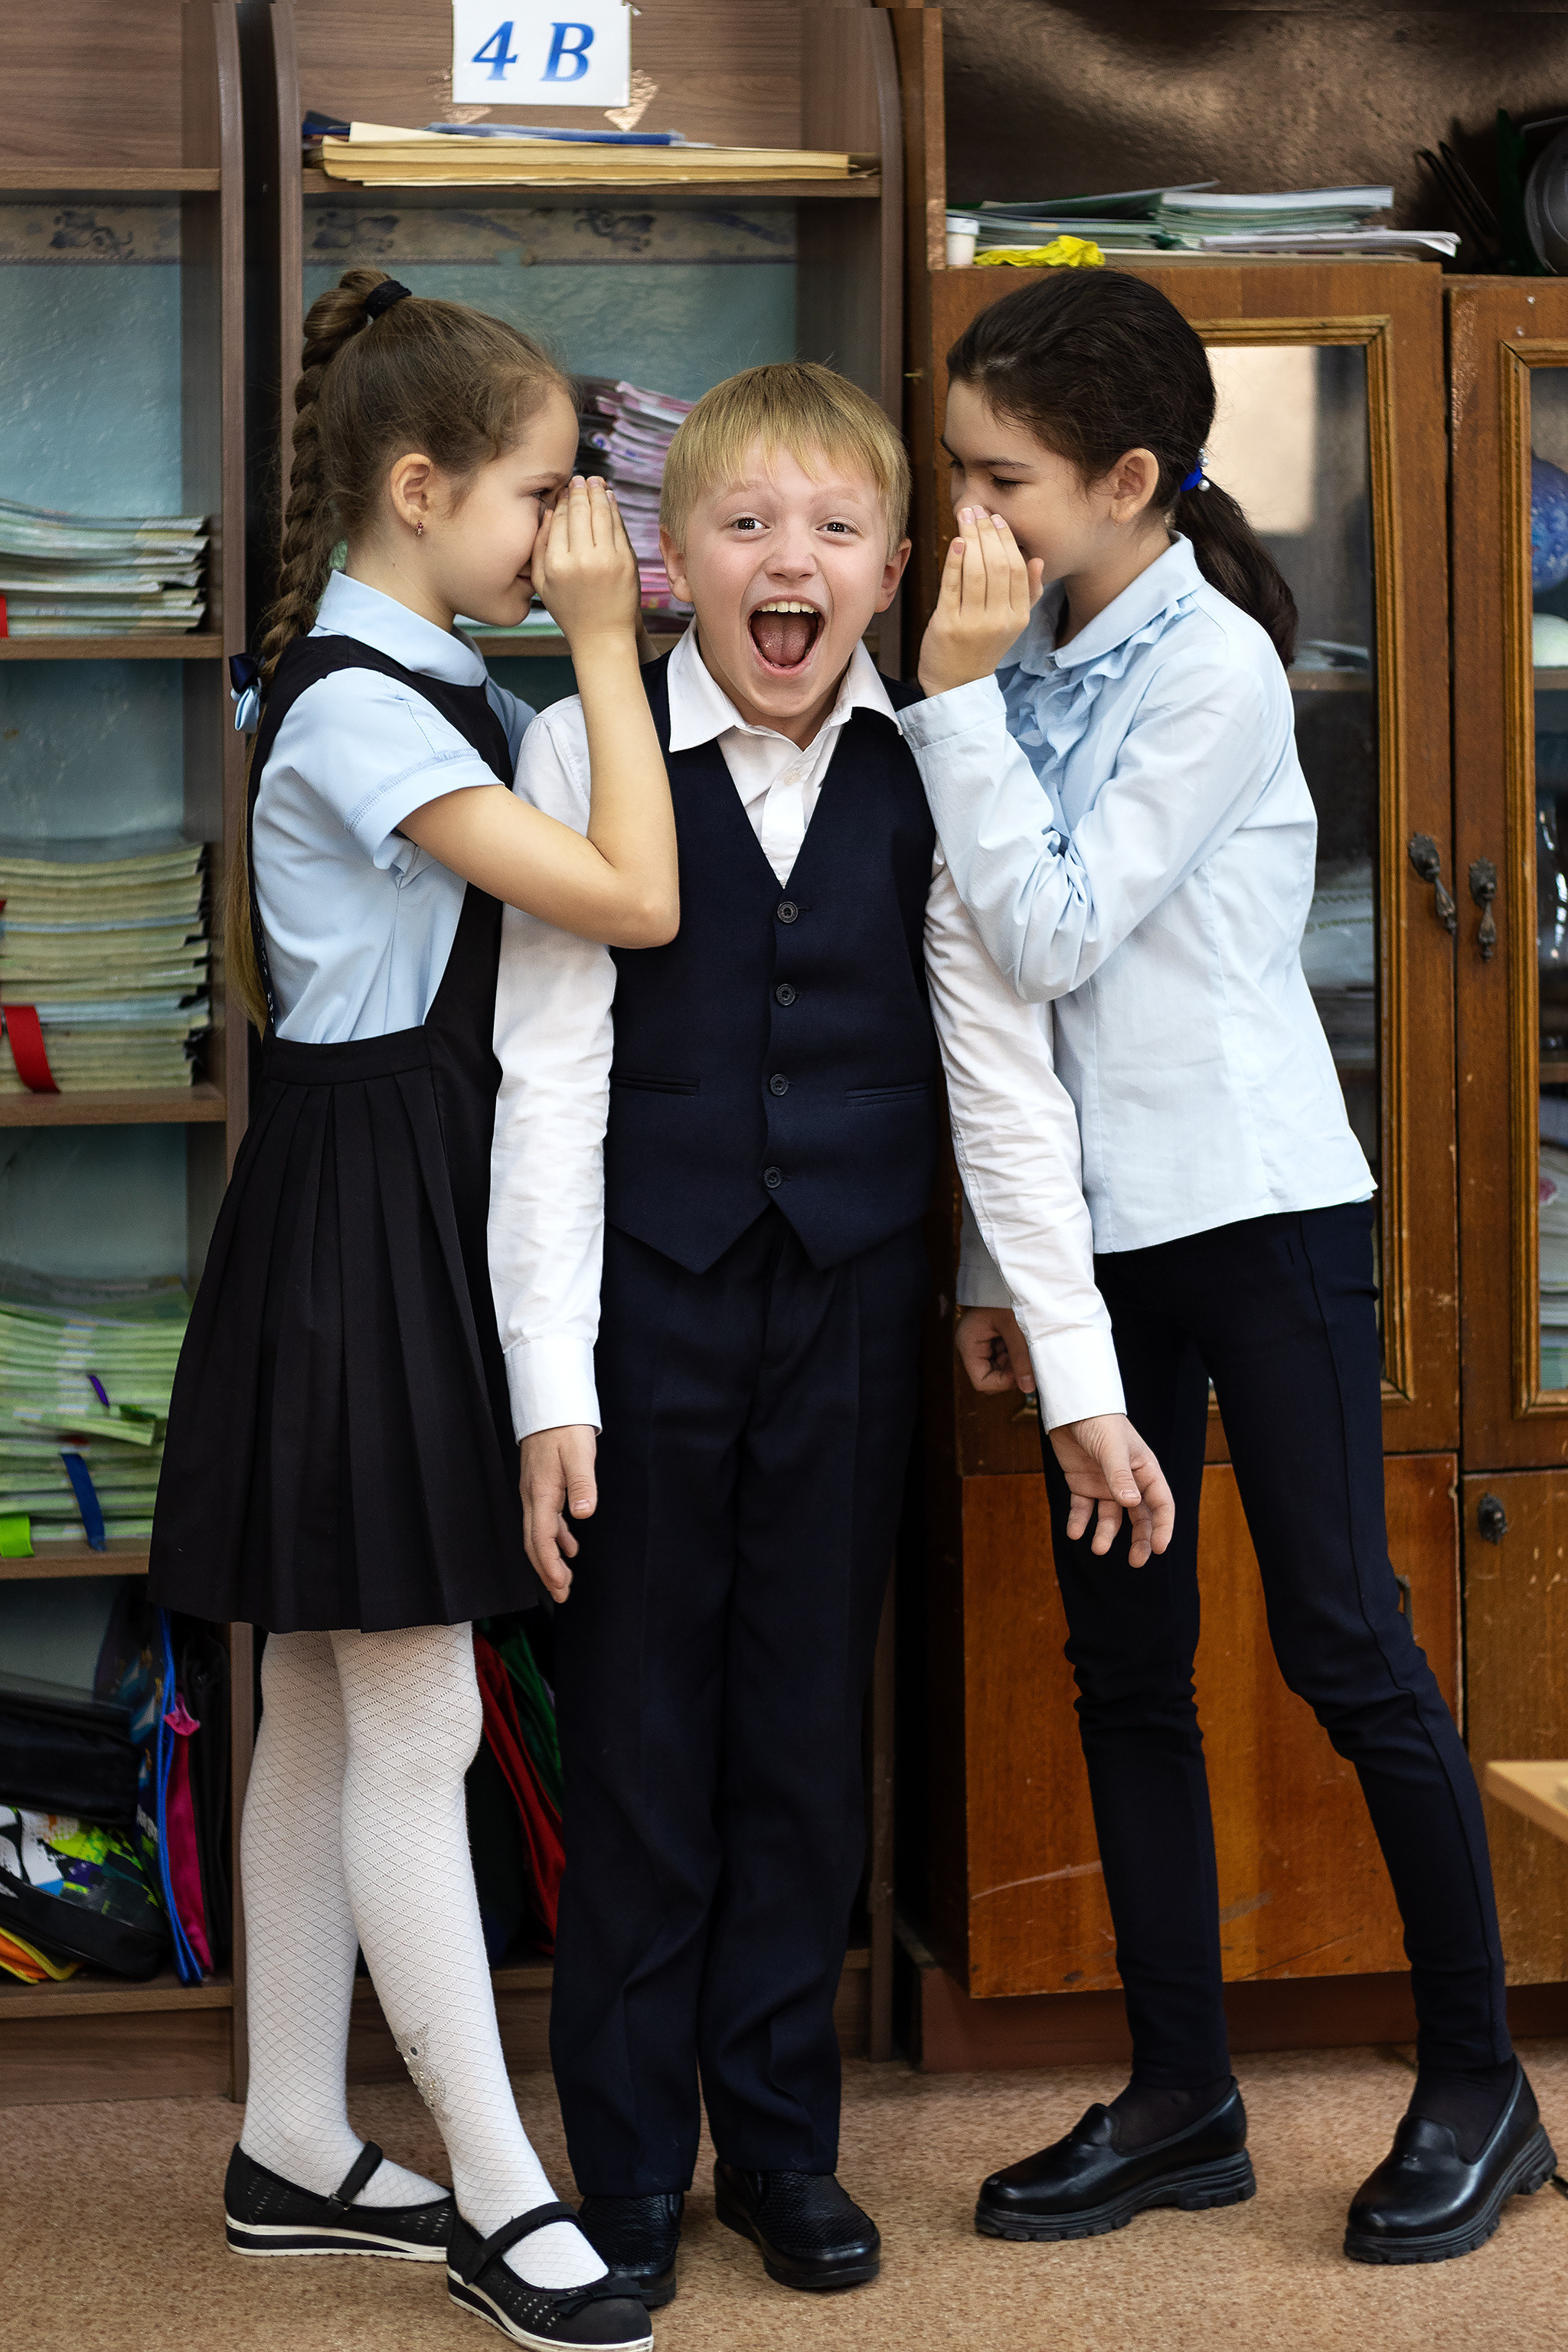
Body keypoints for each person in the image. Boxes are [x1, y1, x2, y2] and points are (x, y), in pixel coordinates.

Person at [486, 361, 1175, 2308]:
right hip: (646, 1310)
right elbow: (544, 1091)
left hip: (855, 1303)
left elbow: (1006, 1084)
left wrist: (1080, 1377)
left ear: (901, 569)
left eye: (836, 528)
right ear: (664, 561)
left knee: (802, 1737)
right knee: (637, 1739)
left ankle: (779, 2148)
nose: (788, 562)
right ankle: (624, 2169)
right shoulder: (579, 750)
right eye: (743, 525)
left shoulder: (940, 763)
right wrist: (551, 1394)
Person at [903, 265, 1554, 2266]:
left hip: (1257, 1215)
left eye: (998, 480)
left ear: (1128, 479)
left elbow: (1061, 930)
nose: (965, 521)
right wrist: (997, 1273)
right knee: (1126, 1665)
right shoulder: (1040, 636)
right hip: (1094, 1244)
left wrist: (943, 703)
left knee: (1343, 1643)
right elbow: (993, 1003)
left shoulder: (1207, 671)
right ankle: (1184, 2094)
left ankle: (1482, 2083)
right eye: (954, 473)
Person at [149, 268, 676, 2352]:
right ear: (422, 485)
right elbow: (634, 896)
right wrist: (618, 643)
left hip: (377, 1212)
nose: (566, 530)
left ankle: (293, 2140)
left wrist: (567, 635)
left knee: (324, 1702)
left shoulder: (418, 673)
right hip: (367, 1222)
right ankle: (498, 2186)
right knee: (414, 1711)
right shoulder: (369, 709)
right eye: (544, 493)